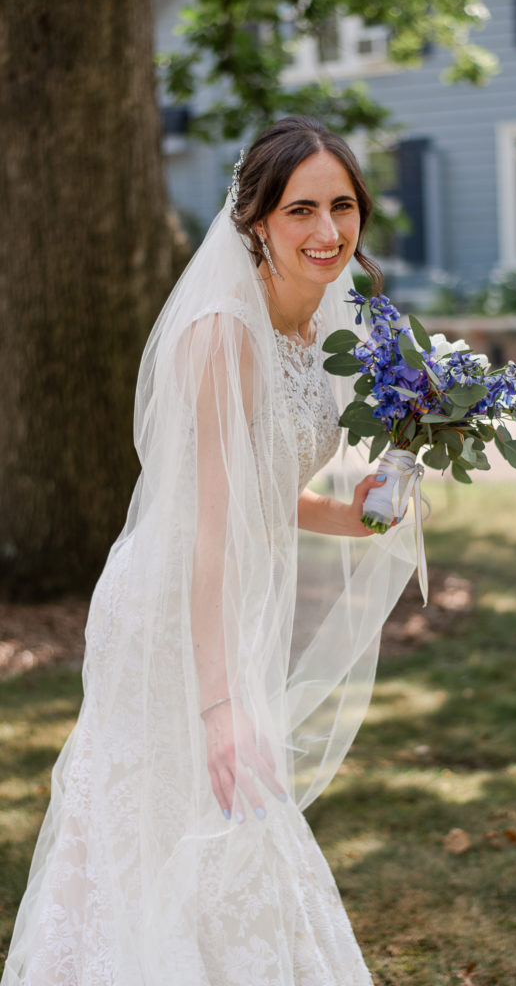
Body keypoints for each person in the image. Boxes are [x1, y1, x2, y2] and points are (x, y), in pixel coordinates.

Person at [2, 116, 416, 986]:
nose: (328, 232)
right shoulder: (222, 334)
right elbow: (210, 524)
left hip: (235, 598)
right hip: (172, 608)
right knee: (176, 819)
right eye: (301, 209)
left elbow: (267, 495)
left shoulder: (321, 329)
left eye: (343, 206)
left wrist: (364, 515)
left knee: (221, 822)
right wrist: (220, 704)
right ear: (256, 220)